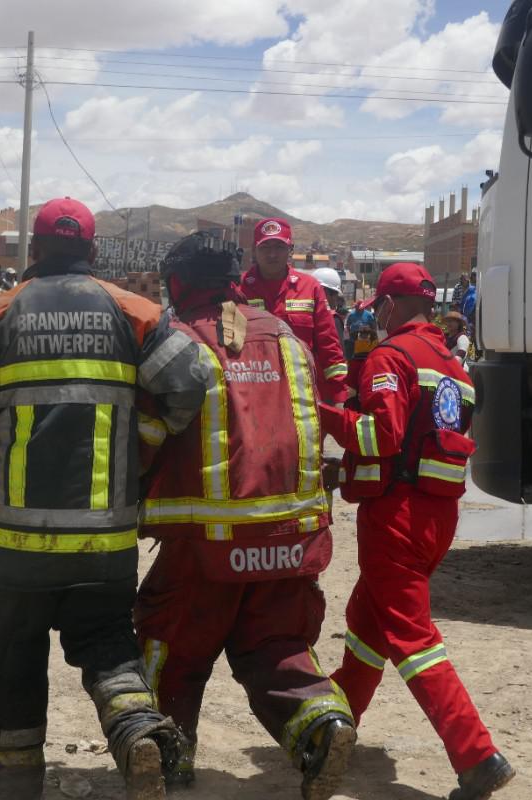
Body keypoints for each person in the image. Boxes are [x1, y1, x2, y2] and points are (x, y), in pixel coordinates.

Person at [0, 197, 207, 800]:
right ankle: (137, 729)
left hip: (17, 544)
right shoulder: (134, 312)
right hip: (104, 539)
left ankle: (16, 776)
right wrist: (151, 437)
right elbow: (190, 383)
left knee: (13, 653)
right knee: (109, 645)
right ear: (91, 252)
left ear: (33, 250)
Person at [134, 234, 356, 799]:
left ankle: (169, 761)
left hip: (204, 542)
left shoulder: (179, 341)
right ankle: (322, 725)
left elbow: (149, 436)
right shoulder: (284, 336)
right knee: (275, 646)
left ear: (180, 282)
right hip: (291, 538)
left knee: (173, 647)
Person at [320, 263, 514, 800]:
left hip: (396, 519)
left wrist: (322, 415)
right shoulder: (455, 365)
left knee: (413, 639)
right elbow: (422, 442)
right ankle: (335, 720)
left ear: (386, 304)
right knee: (366, 619)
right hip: (437, 516)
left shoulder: (391, 356)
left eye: (380, 306)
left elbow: (380, 436)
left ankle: (477, 755)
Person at [241, 219, 348, 405]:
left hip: (300, 395)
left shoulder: (310, 287)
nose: (272, 254)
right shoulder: (237, 288)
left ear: (291, 249)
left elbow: (329, 345)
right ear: (254, 250)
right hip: (252, 394)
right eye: (265, 247)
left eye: (279, 247)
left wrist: (339, 396)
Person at [312, 266, 347, 355]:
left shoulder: (305, 315)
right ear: (323, 292)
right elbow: (338, 354)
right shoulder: (332, 319)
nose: (336, 298)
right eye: (335, 293)